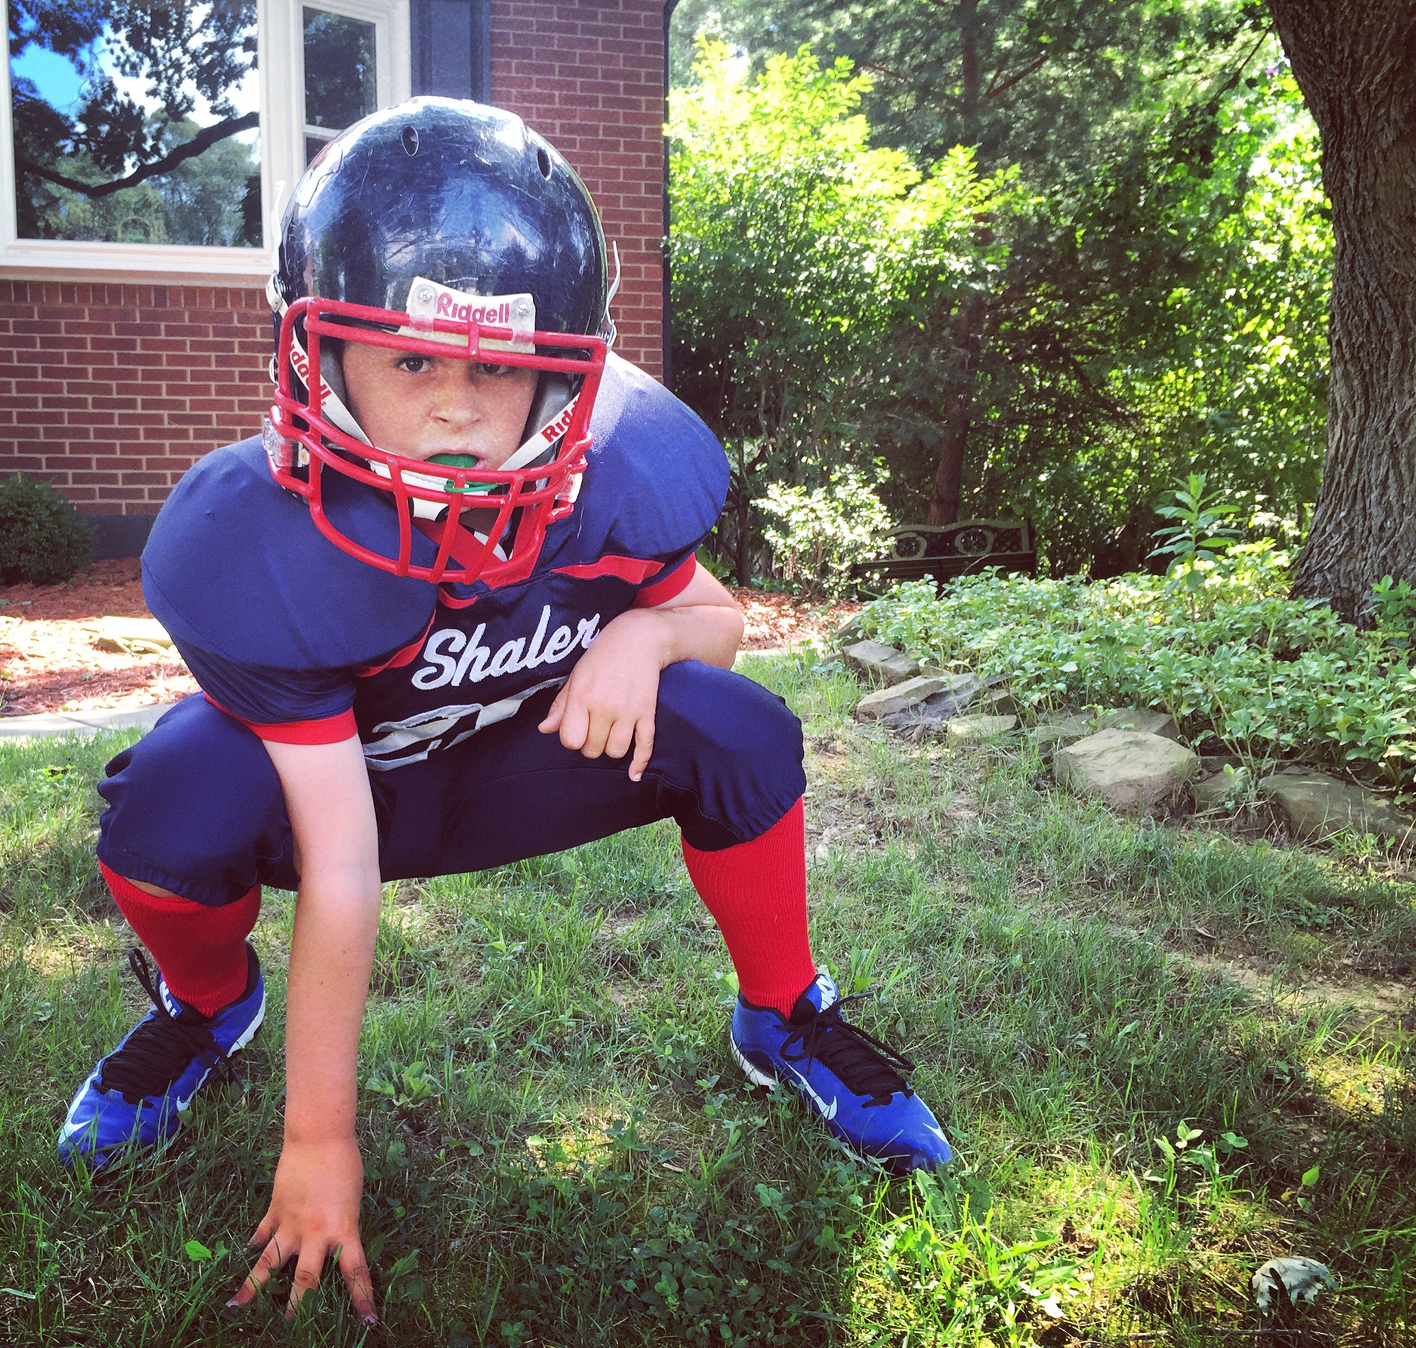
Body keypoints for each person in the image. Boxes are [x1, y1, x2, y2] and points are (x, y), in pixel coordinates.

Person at [56, 98, 951, 1323]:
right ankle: (208, 1007)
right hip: (351, 803)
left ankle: (783, 1010)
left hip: (524, 768)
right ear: (318, 355)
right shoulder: (264, 542)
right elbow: (342, 860)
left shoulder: (605, 483)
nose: (460, 408)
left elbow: (721, 618)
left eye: (497, 366)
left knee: (736, 723)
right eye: (411, 359)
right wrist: (320, 1139)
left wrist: (642, 632)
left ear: (566, 373)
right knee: (172, 792)